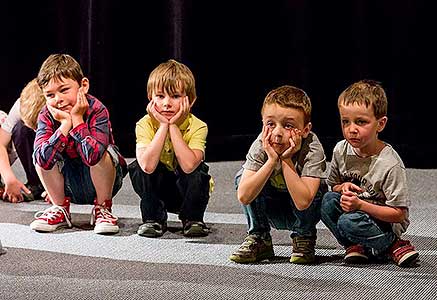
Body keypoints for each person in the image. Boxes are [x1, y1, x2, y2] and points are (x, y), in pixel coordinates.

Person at [321, 80, 419, 267]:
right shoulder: (340, 150)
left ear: (380, 124)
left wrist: (360, 205)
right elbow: (333, 186)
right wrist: (343, 187)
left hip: (383, 221)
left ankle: (392, 244)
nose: (351, 129)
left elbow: (399, 214)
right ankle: (357, 245)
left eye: (361, 122)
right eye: (345, 122)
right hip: (355, 213)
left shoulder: (390, 163)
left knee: (347, 222)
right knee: (327, 201)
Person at [229, 85, 328, 264]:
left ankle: (303, 236)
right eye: (270, 124)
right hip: (271, 207)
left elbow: (303, 201)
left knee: (319, 187)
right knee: (242, 176)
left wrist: (287, 160)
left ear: (305, 129)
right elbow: (244, 196)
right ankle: (259, 237)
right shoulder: (261, 144)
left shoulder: (312, 148)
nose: (277, 133)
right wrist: (271, 161)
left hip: (299, 210)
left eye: (288, 125)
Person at [30, 54, 127, 235]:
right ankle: (59, 208)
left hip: (100, 180)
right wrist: (64, 126)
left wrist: (77, 120)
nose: (57, 99)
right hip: (67, 184)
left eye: (64, 90)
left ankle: (103, 209)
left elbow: (93, 156)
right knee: (41, 153)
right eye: (50, 95)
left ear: (83, 85)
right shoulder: (46, 114)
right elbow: (42, 160)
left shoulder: (98, 109)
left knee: (104, 152)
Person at [128, 59, 212, 238]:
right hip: (158, 189)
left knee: (199, 171)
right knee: (138, 166)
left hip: (185, 191)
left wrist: (172, 126)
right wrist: (162, 126)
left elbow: (189, 166)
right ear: (151, 99)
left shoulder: (198, 126)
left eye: (175, 96)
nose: (166, 103)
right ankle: (153, 219)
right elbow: (147, 166)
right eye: (160, 96)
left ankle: (192, 219)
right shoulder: (144, 125)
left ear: (190, 100)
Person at [0, 79, 46, 203]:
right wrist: (9, 178)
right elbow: (1, 143)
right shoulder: (21, 104)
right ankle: (36, 183)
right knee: (20, 129)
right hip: (39, 158)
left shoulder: (63, 105)